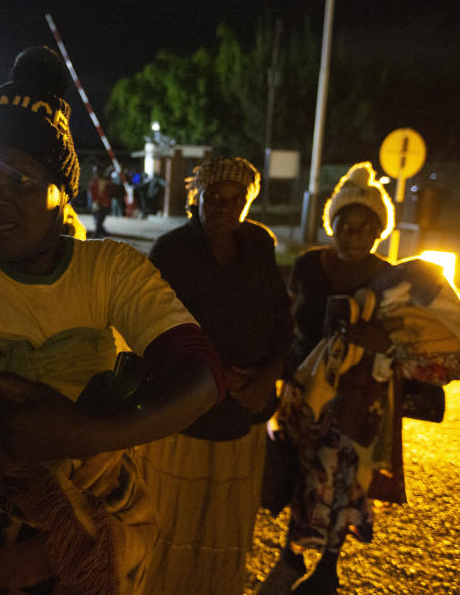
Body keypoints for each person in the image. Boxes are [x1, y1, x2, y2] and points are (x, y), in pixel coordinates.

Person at [0, 45, 226, 595]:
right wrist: (21, 440)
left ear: (63, 189)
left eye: (19, 179)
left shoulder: (110, 270)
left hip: (82, 554)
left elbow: (202, 374)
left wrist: (79, 433)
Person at [258, 163, 460, 595]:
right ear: (330, 223)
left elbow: (402, 339)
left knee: (344, 479)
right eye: (343, 222)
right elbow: (286, 316)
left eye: (363, 225)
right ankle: (293, 554)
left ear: (378, 231)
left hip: (357, 398)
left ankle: (325, 566)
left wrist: (376, 339)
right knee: (302, 472)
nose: (351, 232)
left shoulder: (391, 280)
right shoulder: (307, 266)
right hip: (303, 390)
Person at [143, 157, 293, 595]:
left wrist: (268, 375)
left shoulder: (259, 245)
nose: (226, 208)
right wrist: (221, 376)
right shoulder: (171, 251)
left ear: (248, 203)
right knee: (172, 523)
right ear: (197, 199)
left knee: (225, 529)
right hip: (185, 415)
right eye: (215, 198)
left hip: (243, 418)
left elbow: (282, 319)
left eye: (237, 200)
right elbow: (155, 329)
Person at [88, 165, 113, 237]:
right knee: (98, 219)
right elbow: (92, 192)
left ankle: (98, 234)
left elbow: (109, 192)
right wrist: (95, 201)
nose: (96, 173)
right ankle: (101, 233)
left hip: (104, 203)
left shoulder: (106, 181)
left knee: (100, 219)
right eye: (95, 172)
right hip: (96, 203)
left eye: (97, 171)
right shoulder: (94, 181)